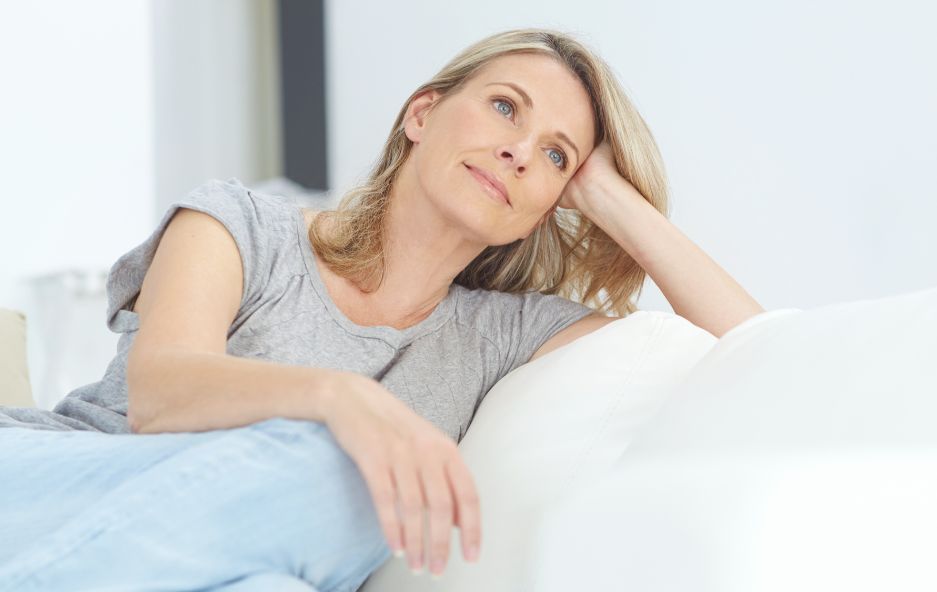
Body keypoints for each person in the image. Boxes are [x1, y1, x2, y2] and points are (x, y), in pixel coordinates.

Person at [0, 28, 764, 591]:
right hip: (46, 479)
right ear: (421, 115)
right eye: (504, 108)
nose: (521, 152)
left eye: (554, 155)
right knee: (347, 469)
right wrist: (341, 400)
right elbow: (161, 393)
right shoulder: (241, 225)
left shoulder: (498, 334)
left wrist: (605, 193)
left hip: (196, 562)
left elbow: (755, 354)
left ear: (544, 210)